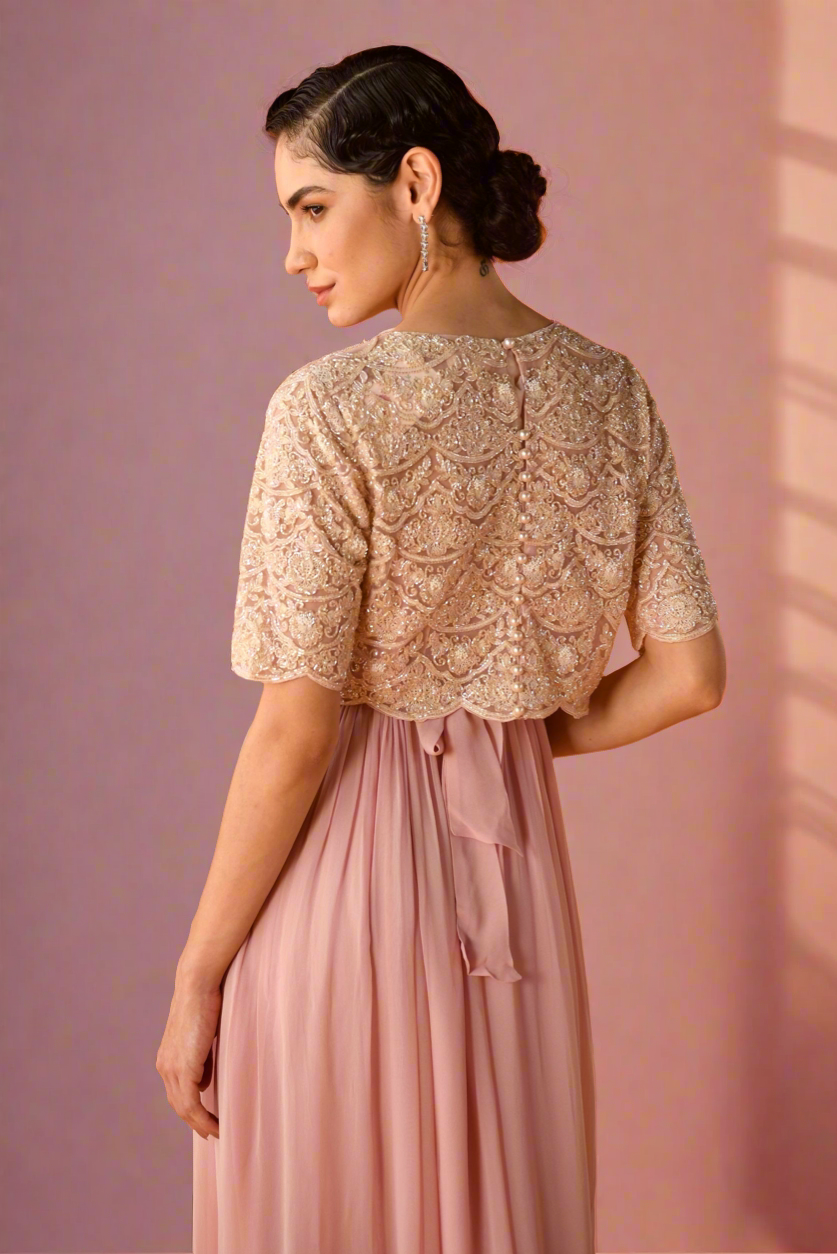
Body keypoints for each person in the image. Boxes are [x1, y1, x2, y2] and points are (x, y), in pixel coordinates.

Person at [156, 43, 726, 1254]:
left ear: (414, 184)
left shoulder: (328, 410)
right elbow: (690, 676)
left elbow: (294, 733)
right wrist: (508, 722)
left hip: (342, 890)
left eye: (313, 207)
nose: (293, 253)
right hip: (516, 883)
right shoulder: (612, 393)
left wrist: (198, 975)